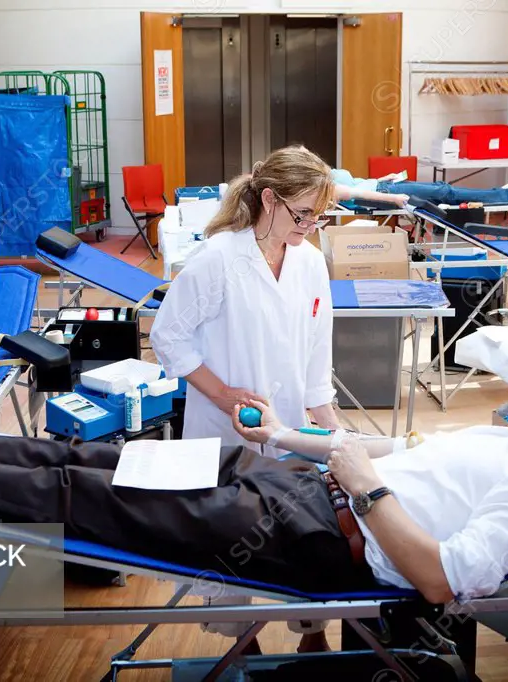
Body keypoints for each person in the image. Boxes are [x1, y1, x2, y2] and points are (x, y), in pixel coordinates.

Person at [0, 329, 508, 608]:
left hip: (313, 533)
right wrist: (286, 436)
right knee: (92, 454)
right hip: (293, 487)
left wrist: (363, 484)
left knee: (77, 493)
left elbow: (441, 579)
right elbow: (381, 454)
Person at [148, 145, 341, 651]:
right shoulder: (219, 260)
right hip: (223, 430)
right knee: (231, 540)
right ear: (270, 200)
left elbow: (317, 357)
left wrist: (336, 435)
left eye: (318, 217)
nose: (309, 225)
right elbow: (168, 336)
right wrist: (224, 394)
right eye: (302, 214)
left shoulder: (311, 263)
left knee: (308, 528)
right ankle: (240, 642)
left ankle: (312, 637)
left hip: (292, 427)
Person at [330, 167, 508, 208]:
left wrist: (382, 177)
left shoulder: (325, 172)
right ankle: (504, 194)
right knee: (444, 192)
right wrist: (393, 197)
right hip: (382, 194)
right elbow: (353, 194)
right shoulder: (323, 181)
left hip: (382, 186)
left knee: (440, 188)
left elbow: (357, 183)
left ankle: (497, 193)